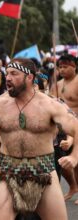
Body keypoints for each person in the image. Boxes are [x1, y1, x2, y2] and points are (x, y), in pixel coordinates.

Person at [0, 58, 78, 219]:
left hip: (44, 172)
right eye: (7, 74)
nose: (8, 78)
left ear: (29, 77)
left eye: (14, 74)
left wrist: (74, 157)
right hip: (8, 172)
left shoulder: (50, 105)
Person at [56, 54, 78, 204]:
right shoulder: (57, 84)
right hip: (62, 128)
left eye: (65, 67)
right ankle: (73, 187)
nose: (62, 70)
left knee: (76, 162)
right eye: (60, 67)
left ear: (74, 66)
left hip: (77, 127)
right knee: (62, 161)